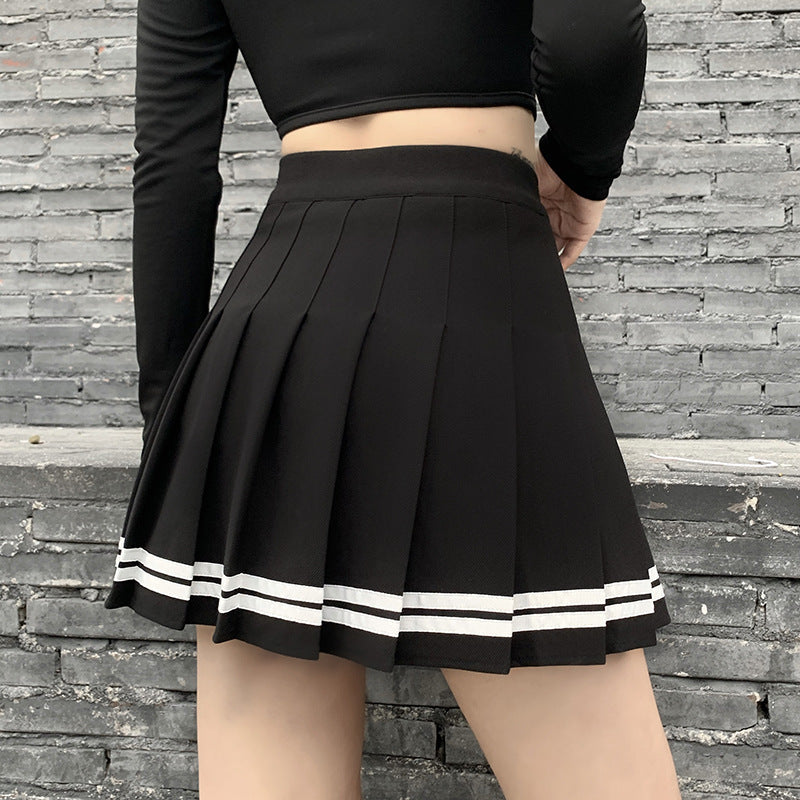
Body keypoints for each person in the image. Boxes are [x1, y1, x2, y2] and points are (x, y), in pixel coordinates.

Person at [103, 0, 682, 797]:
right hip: (476, 297)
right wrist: (583, 167)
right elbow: (592, 34)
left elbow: (170, 167)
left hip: (273, 337)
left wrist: (170, 429)